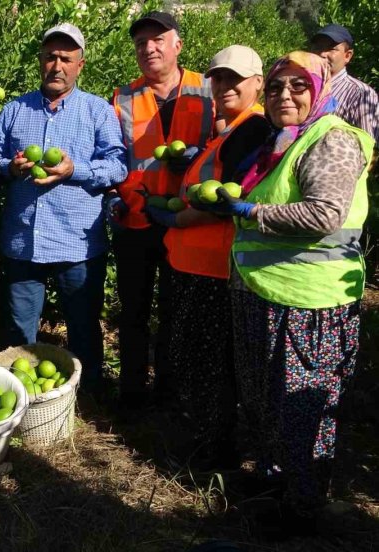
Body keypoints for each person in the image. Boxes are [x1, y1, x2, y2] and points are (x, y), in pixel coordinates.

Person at [200, 51, 372, 522]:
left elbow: (324, 213)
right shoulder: (280, 142)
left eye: (298, 86)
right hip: (265, 292)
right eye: (276, 87)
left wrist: (251, 213)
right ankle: (274, 481)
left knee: (303, 413)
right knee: (265, 399)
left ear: (320, 90)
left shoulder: (331, 140)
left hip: (310, 301)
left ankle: (303, 507)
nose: (284, 95)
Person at [146, 45, 271, 467]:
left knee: (209, 364)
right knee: (200, 360)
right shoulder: (229, 129)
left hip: (213, 269)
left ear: (258, 83)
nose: (224, 86)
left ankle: (213, 453)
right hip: (193, 265)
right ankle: (208, 440)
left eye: (234, 78)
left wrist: (175, 220)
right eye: (218, 78)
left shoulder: (252, 129)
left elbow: (229, 199)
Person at [0, 24, 127, 392]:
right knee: (20, 328)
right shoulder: (15, 110)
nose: (57, 65)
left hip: (78, 245)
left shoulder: (97, 111)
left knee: (83, 326)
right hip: (23, 242)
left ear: (80, 65)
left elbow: (117, 166)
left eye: (66, 58)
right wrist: (10, 167)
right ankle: (23, 396)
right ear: (40, 61)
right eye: (51, 56)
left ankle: (89, 396)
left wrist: (74, 170)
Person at [104, 11, 215, 407]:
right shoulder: (124, 96)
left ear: (177, 46)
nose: (148, 48)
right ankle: (132, 392)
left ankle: (170, 390)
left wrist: (200, 159)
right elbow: (114, 157)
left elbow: (227, 143)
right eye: (140, 43)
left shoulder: (208, 89)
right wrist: (116, 199)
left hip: (186, 221)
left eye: (158, 40)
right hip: (136, 218)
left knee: (176, 310)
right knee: (132, 310)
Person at [309, 24, 379, 141]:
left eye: (331, 48)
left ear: (347, 55)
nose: (322, 54)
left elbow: (367, 145)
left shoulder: (360, 94)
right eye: (318, 47)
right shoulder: (303, 87)